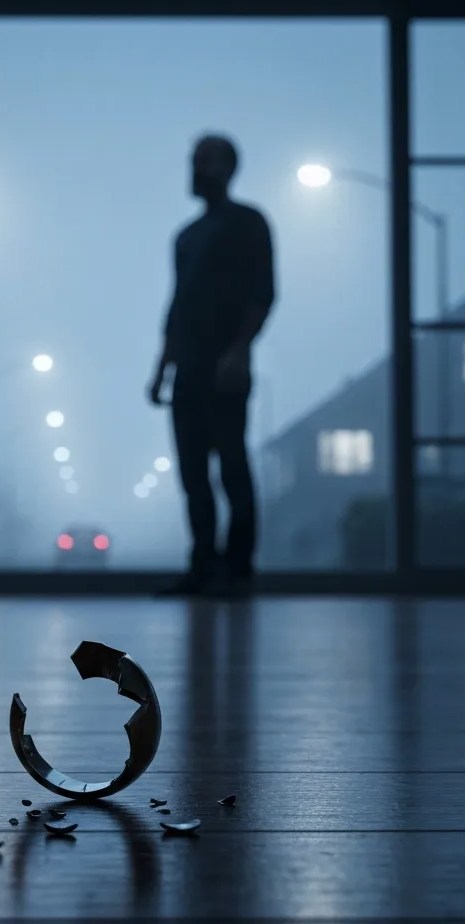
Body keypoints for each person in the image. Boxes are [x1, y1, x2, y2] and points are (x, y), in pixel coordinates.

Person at [148, 134, 275, 597]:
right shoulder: (186, 237)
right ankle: (204, 566)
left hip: (224, 365)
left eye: (205, 161)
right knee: (194, 471)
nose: (197, 169)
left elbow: (263, 292)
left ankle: (237, 570)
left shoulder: (248, 224)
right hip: (191, 368)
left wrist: (240, 349)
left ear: (228, 167)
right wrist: (163, 365)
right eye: (195, 161)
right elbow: (177, 306)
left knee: (231, 466)